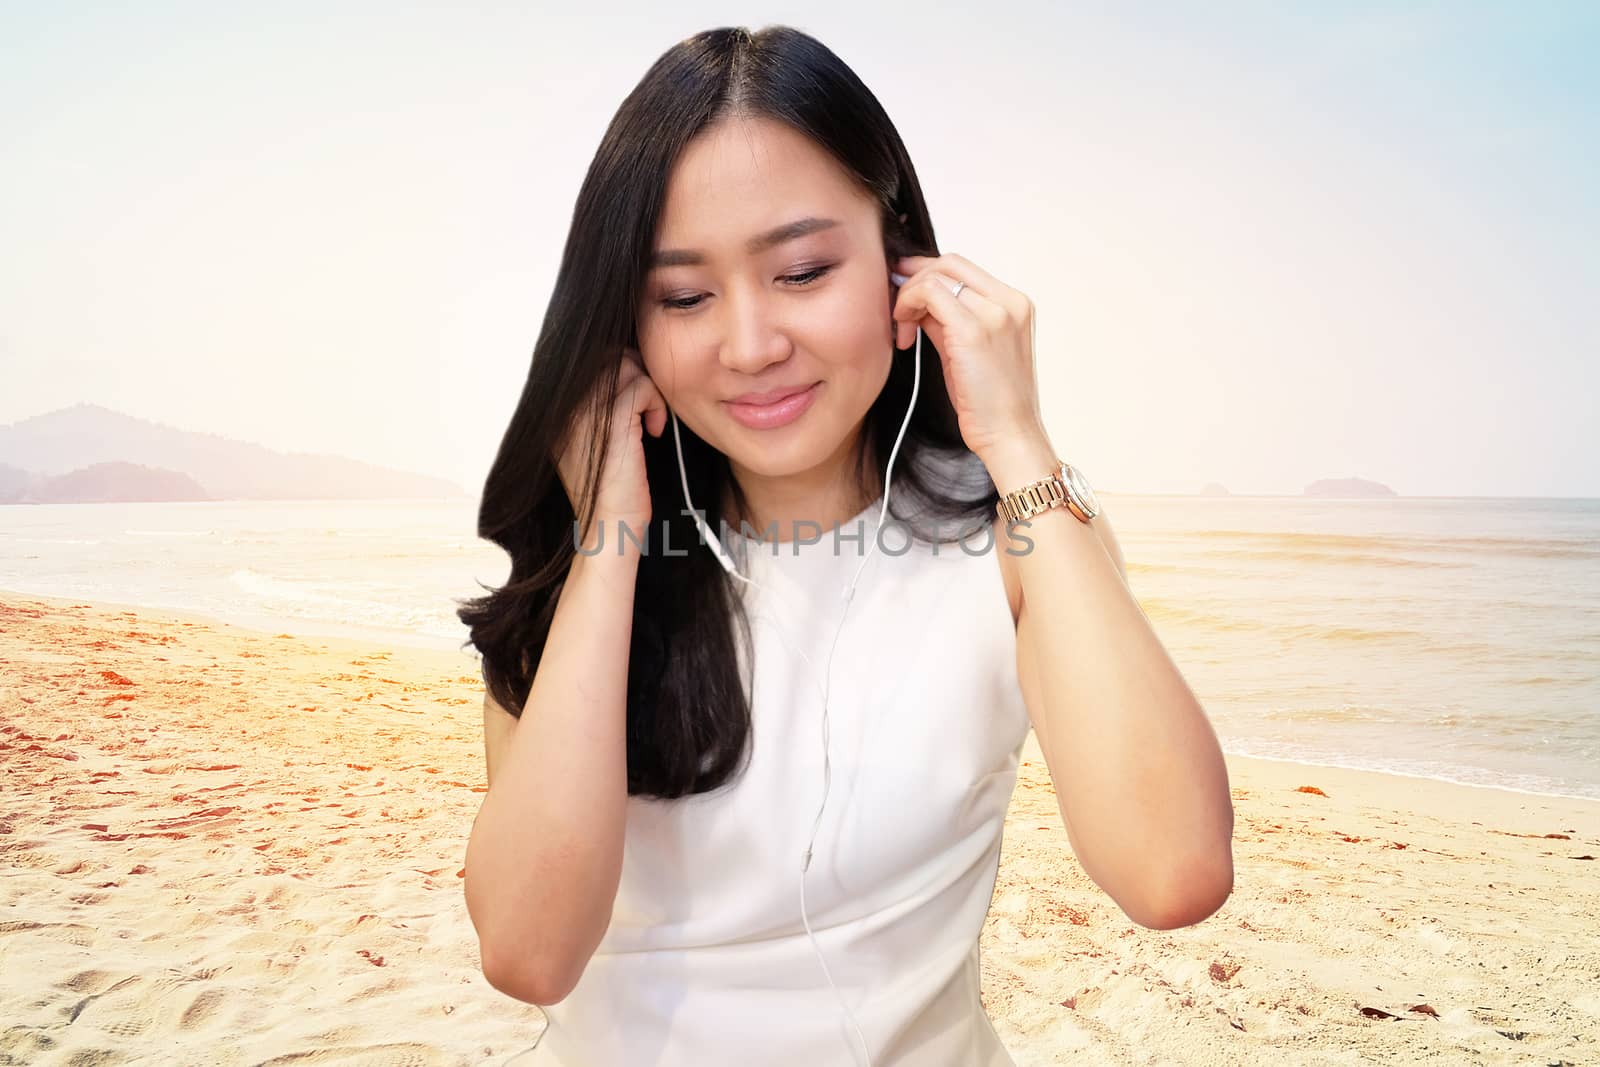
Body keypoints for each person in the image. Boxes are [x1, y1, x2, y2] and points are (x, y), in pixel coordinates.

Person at [457, 24, 1234, 1067]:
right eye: (683, 296)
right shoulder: (591, 551)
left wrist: (1016, 438)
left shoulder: (1014, 524)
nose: (749, 345)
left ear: (898, 255)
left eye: (804, 269)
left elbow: (1172, 869)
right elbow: (527, 948)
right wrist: (609, 542)